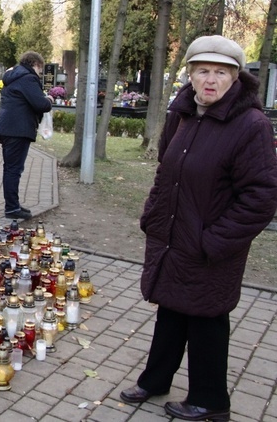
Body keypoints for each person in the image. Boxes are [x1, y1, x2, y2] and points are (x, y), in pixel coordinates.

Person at [120, 35, 277, 421]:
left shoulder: (250, 125)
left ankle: (211, 402)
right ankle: (156, 379)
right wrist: (152, 215)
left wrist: (213, 241)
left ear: (236, 77)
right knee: (171, 310)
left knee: (206, 319)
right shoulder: (183, 114)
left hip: (211, 247)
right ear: (189, 75)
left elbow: (261, 196)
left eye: (221, 72)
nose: (211, 80)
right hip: (174, 235)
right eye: (203, 70)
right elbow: (165, 170)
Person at [0, 51, 53, 220]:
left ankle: (13, 205)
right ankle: (11, 208)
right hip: (17, 129)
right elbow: (40, 104)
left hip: (7, 127)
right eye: (41, 69)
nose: (40, 73)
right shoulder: (28, 78)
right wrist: (49, 100)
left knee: (11, 168)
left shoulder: (12, 76)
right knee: (13, 170)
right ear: (36, 65)